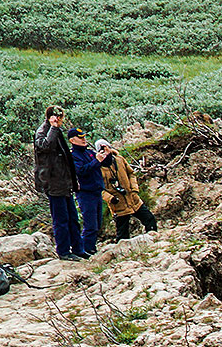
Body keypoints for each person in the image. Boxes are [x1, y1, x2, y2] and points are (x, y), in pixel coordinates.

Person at [33, 106, 83, 259]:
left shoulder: (56, 131)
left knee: (73, 218)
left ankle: (78, 249)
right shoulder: (42, 132)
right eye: (58, 118)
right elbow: (46, 146)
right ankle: (63, 251)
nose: (61, 121)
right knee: (61, 220)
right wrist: (53, 128)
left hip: (64, 181)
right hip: (53, 182)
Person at [97, 140, 158, 240]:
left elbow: (131, 173)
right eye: (101, 149)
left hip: (132, 198)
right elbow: (98, 189)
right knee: (122, 234)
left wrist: (134, 190)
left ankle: (153, 242)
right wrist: (110, 198)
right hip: (118, 204)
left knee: (149, 219)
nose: (104, 150)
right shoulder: (98, 168)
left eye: (106, 147)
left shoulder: (119, 159)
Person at [68, 126, 104, 255]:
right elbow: (81, 171)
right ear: (72, 140)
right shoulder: (73, 156)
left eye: (84, 137)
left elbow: (102, 163)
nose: (84, 139)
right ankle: (85, 249)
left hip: (96, 191)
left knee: (97, 223)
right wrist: (96, 161)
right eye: (80, 137)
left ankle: (90, 247)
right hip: (85, 193)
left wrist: (107, 155)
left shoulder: (88, 152)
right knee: (90, 225)